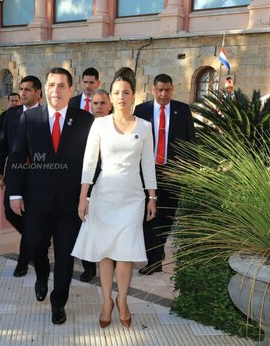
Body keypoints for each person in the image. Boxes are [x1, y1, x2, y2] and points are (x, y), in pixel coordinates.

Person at [6, 67, 94, 325]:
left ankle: (59, 303)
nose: (56, 90)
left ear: (70, 90)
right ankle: (42, 275)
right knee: (34, 246)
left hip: (70, 204)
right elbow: (18, 156)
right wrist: (15, 193)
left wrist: (86, 196)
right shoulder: (30, 118)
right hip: (37, 200)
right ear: (46, 88)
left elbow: (92, 162)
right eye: (52, 85)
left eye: (61, 86)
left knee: (66, 255)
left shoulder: (84, 120)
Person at [72, 76, 157, 329]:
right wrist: (83, 196)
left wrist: (152, 197)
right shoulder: (99, 125)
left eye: (126, 92)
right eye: (117, 92)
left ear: (133, 96)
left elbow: (148, 165)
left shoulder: (144, 127)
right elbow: (89, 162)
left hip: (132, 198)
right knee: (105, 253)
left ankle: (123, 299)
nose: (122, 96)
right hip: (103, 196)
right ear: (111, 97)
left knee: (125, 253)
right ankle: (106, 301)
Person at [134, 73, 196, 275]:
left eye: (167, 90)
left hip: (172, 173)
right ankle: (153, 259)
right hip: (147, 171)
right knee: (149, 215)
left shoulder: (182, 110)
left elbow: (190, 143)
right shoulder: (141, 110)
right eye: (159, 90)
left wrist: (186, 172)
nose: (163, 94)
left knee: (167, 216)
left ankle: (158, 251)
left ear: (172, 89)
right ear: (153, 90)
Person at [0, 77, 42, 277]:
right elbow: (2, 144)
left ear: (38, 93)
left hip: (37, 175)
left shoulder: (46, 115)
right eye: (21, 89)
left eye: (28, 90)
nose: (23, 93)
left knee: (29, 215)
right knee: (10, 212)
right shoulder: (10, 115)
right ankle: (37, 240)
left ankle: (22, 262)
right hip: (14, 173)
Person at [68, 67, 102, 282]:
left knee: (92, 221)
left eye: (92, 82)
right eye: (85, 82)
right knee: (78, 220)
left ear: (98, 83)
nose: (88, 86)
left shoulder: (102, 103)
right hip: (75, 169)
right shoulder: (72, 104)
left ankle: (92, 266)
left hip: (100, 170)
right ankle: (80, 261)